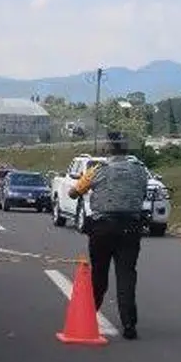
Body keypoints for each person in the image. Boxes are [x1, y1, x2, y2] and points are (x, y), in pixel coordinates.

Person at [68, 138, 148, 340]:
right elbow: (142, 192)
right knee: (127, 276)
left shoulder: (97, 170)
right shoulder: (139, 171)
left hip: (103, 228)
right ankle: (129, 325)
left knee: (99, 274)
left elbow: (73, 193)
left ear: (107, 151)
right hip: (131, 228)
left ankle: (88, 316)